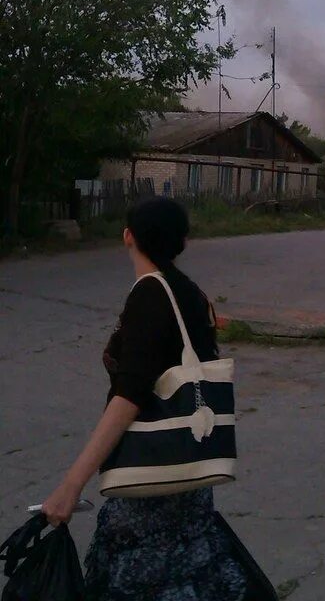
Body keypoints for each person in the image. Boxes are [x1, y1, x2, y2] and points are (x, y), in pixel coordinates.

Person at [41, 196, 246, 600]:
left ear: (127, 237)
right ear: (182, 242)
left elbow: (127, 398)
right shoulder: (190, 293)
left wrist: (71, 484)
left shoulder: (150, 296)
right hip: (190, 468)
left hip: (150, 475)